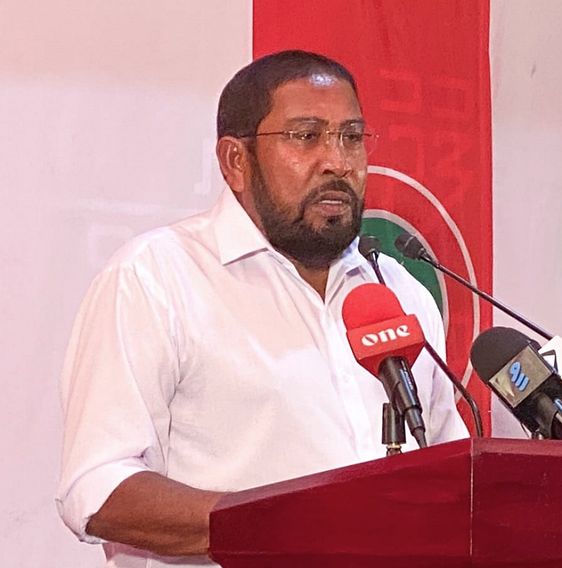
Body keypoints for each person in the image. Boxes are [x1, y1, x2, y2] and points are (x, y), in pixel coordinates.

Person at [56, 50, 468, 568]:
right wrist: (283, 524)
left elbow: (451, 473)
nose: (338, 161)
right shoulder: (156, 278)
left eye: (351, 137)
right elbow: (98, 488)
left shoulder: (400, 291)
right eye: (306, 136)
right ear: (236, 161)